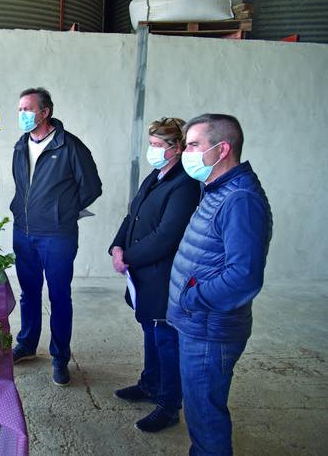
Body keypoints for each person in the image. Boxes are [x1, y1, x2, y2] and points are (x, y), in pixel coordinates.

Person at [167, 114, 272, 455]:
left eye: (194, 145)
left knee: (206, 417)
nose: (186, 152)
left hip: (210, 330)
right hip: (197, 323)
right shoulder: (217, 188)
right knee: (199, 412)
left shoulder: (240, 199)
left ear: (222, 148)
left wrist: (192, 297)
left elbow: (244, 277)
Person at [109, 117, 200, 433]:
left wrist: (128, 258)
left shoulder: (185, 184)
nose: (153, 150)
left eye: (159, 145)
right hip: (143, 273)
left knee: (166, 339)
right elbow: (131, 214)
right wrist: (117, 246)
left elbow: (167, 235)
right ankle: (150, 385)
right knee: (150, 330)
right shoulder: (157, 176)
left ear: (177, 148)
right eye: (151, 144)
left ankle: (169, 405)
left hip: (163, 275)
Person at [10, 87, 102, 387]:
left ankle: (61, 357)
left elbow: (92, 187)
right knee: (28, 293)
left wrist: (62, 210)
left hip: (57, 235)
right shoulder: (20, 145)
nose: (22, 114)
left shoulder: (70, 146)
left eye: (27, 109)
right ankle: (26, 344)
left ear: (44, 112)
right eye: (20, 109)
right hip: (24, 232)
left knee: (59, 296)